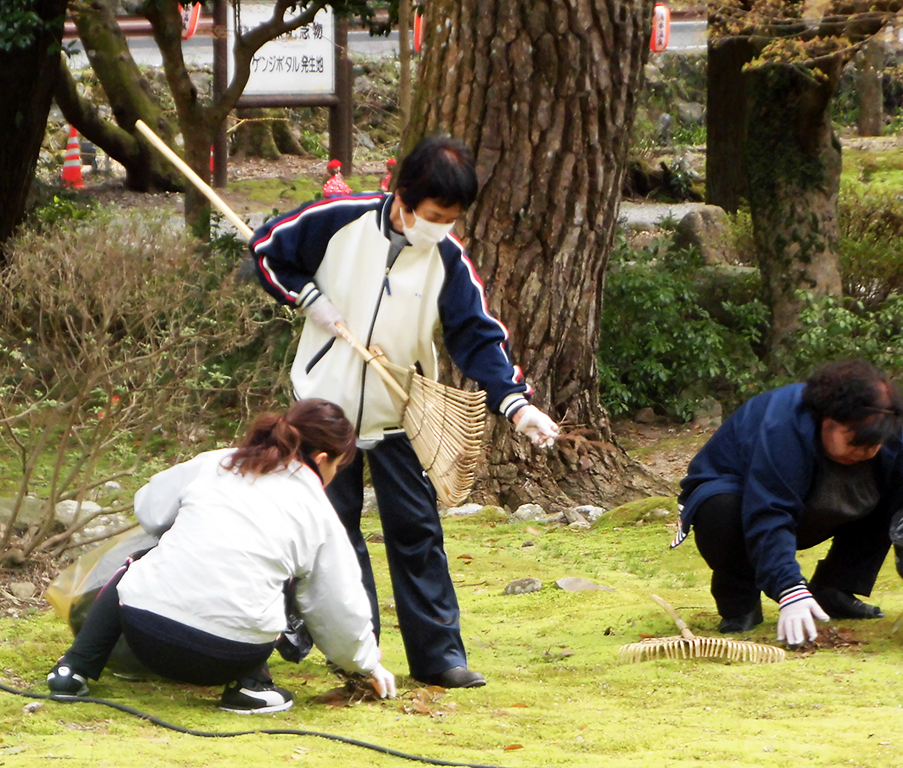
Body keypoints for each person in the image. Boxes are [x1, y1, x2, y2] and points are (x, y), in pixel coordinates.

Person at [249, 133, 559, 689]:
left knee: (417, 532)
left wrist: (517, 408)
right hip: (323, 414)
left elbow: (477, 338)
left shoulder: (446, 258)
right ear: (403, 197)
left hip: (401, 413)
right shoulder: (338, 219)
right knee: (332, 536)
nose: (442, 228)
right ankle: (355, 658)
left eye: (451, 218)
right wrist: (306, 296)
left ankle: (440, 656)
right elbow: (268, 250)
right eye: (435, 216)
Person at [46, 399, 396, 713]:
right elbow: (337, 602)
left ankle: (73, 669)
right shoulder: (318, 512)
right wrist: (366, 663)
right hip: (226, 659)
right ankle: (251, 687)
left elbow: (150, 510)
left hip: (145, 634)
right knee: (280, 580)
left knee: (138, 562)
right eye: (337, 466)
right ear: (322, 459)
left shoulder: (218, 461)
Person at [673, 358, 903, 647]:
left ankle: (835, 588)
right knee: (721, 508)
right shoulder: (783, 426)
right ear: (828, 420)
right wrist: (789, 589)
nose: (863, 452)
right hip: (739, 500)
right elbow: (769, 511)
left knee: (890, 499)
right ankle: (739, 602)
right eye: (854, 442)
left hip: (813, 503)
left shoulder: (890, 433)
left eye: (872, 445)